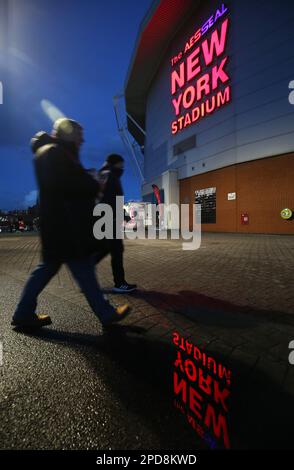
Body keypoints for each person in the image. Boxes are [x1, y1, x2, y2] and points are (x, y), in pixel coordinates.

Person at [12, 118, 131, 329]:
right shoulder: (54, 153)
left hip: (60, 226)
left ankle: (23, 314)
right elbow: (67, 185)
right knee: (82, 269)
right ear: (68, 133)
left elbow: (65, 183)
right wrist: (94, 184)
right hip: (65, 226)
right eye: (79, 135)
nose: (82, 140)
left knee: (47, 269)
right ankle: (105, 313)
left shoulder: (53, 152)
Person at [94, 154, 137, 293]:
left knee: (106, 248)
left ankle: (85, 269)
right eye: (121, 165)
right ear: (115, 164)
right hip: (110, 220)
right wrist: (123, 216)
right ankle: (119, 283)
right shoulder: (111, 176)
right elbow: (112, 200)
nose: (123, 168)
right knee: (116, 250)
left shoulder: (102, 174)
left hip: (102, 219)